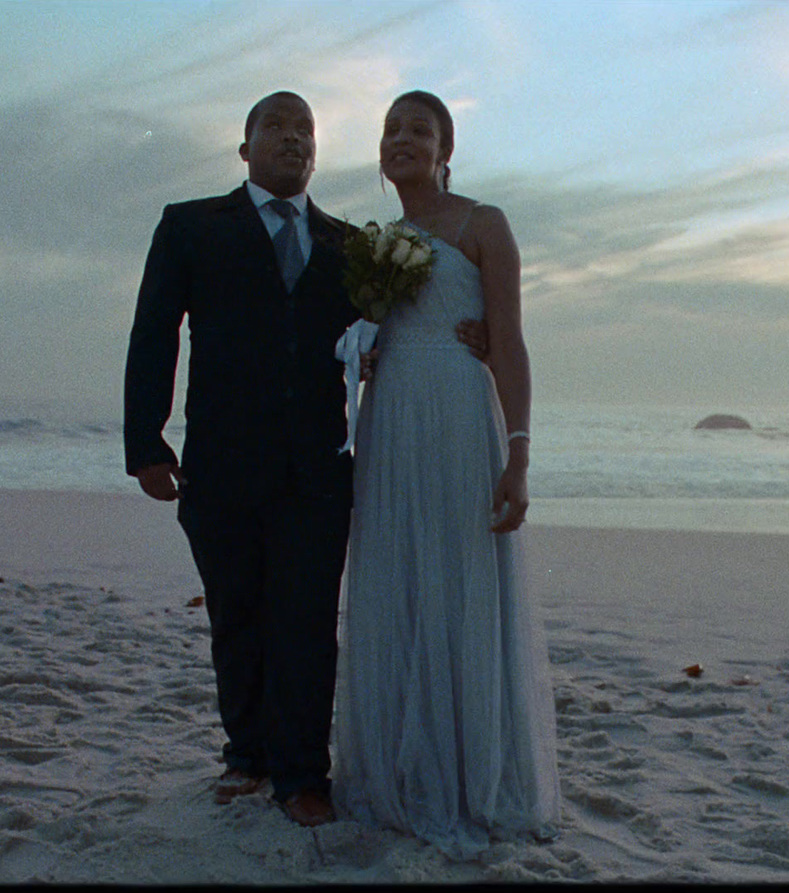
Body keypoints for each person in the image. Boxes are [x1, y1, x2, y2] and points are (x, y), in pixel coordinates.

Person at [122, 91, 485, 828]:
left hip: (317, 469)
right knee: (237, 613)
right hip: (219, 463)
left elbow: (395, 324)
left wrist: (469, 333)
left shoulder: (351, 245)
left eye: (305, 130)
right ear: (245, 146)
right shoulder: (192, 225)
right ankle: (246, 755)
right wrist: (145, 443)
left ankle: (301, 775)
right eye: (276, 127)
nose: (293, 139)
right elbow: (155, 332)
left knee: (309, 621)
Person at [332, 91, 560, 858]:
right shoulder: (373, 244)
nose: (401, 139)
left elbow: (511, 344)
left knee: (460, 581)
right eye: (391, 129)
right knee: (396, 582)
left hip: (461, 421)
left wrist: (520, 453)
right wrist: (364, 351)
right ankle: (401, 767)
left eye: (418, 130)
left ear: (445, 148)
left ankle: (469, 776)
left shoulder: (482, 224)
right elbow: (364, 330)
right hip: (392, 421)